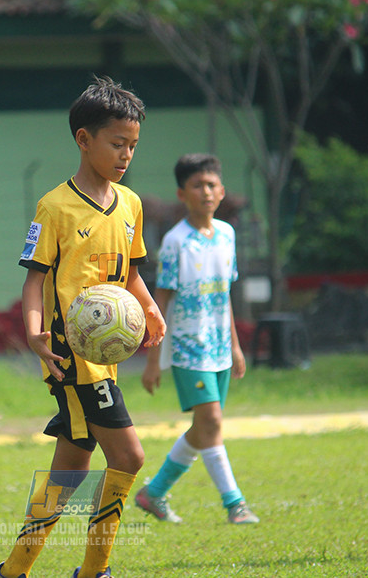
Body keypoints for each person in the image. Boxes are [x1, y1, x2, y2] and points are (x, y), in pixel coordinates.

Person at [0, 76, 166, 578]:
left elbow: (129, 272)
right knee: (129, 456)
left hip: (103, 361)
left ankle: (11, 571)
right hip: (72, 357)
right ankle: (94, 573)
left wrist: (148, 306)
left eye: (132, 145)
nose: (126, 154)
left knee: (70, 468)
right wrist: (34, 332)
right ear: (84, 140)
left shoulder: (130, 204)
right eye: (116, 143)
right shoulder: (54, 206)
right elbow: (33, 280)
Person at [135, 153, 259, 526]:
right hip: (188, 349)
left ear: (221, 191)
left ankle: (152, 493)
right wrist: (154, 359)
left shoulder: (227, 235)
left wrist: (236, 347)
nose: (205, 192)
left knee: (204, 428)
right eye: (196, 186)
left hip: (220, 346)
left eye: (211, 185)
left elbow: (223, 297)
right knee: (213, 422)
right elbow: (163, 300)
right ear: (182, 193)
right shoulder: (175, 242)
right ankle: (235, 504)